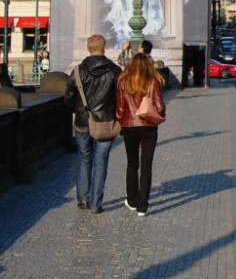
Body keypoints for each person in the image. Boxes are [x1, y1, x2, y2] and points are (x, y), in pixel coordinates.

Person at [64, 34, 121, 214]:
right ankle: (96, 203)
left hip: (83, 121)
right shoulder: (114, 70)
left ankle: (83, 199)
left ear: (89, 48)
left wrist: (78, 111)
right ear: (104, 48)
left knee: (84, 157)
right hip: (105, 121)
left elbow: (68, 97)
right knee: (101, 160)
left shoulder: (78, 71)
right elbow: (121, 97)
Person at [116, 53, 166, 216]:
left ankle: (132, 200)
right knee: (146, 166)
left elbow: (120, 108)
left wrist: (122, 122)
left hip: (129, 126)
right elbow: (160, 107)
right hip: (149, 127)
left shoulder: (124, 82)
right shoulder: (153, 82)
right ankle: (143, 206)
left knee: (132, 164)